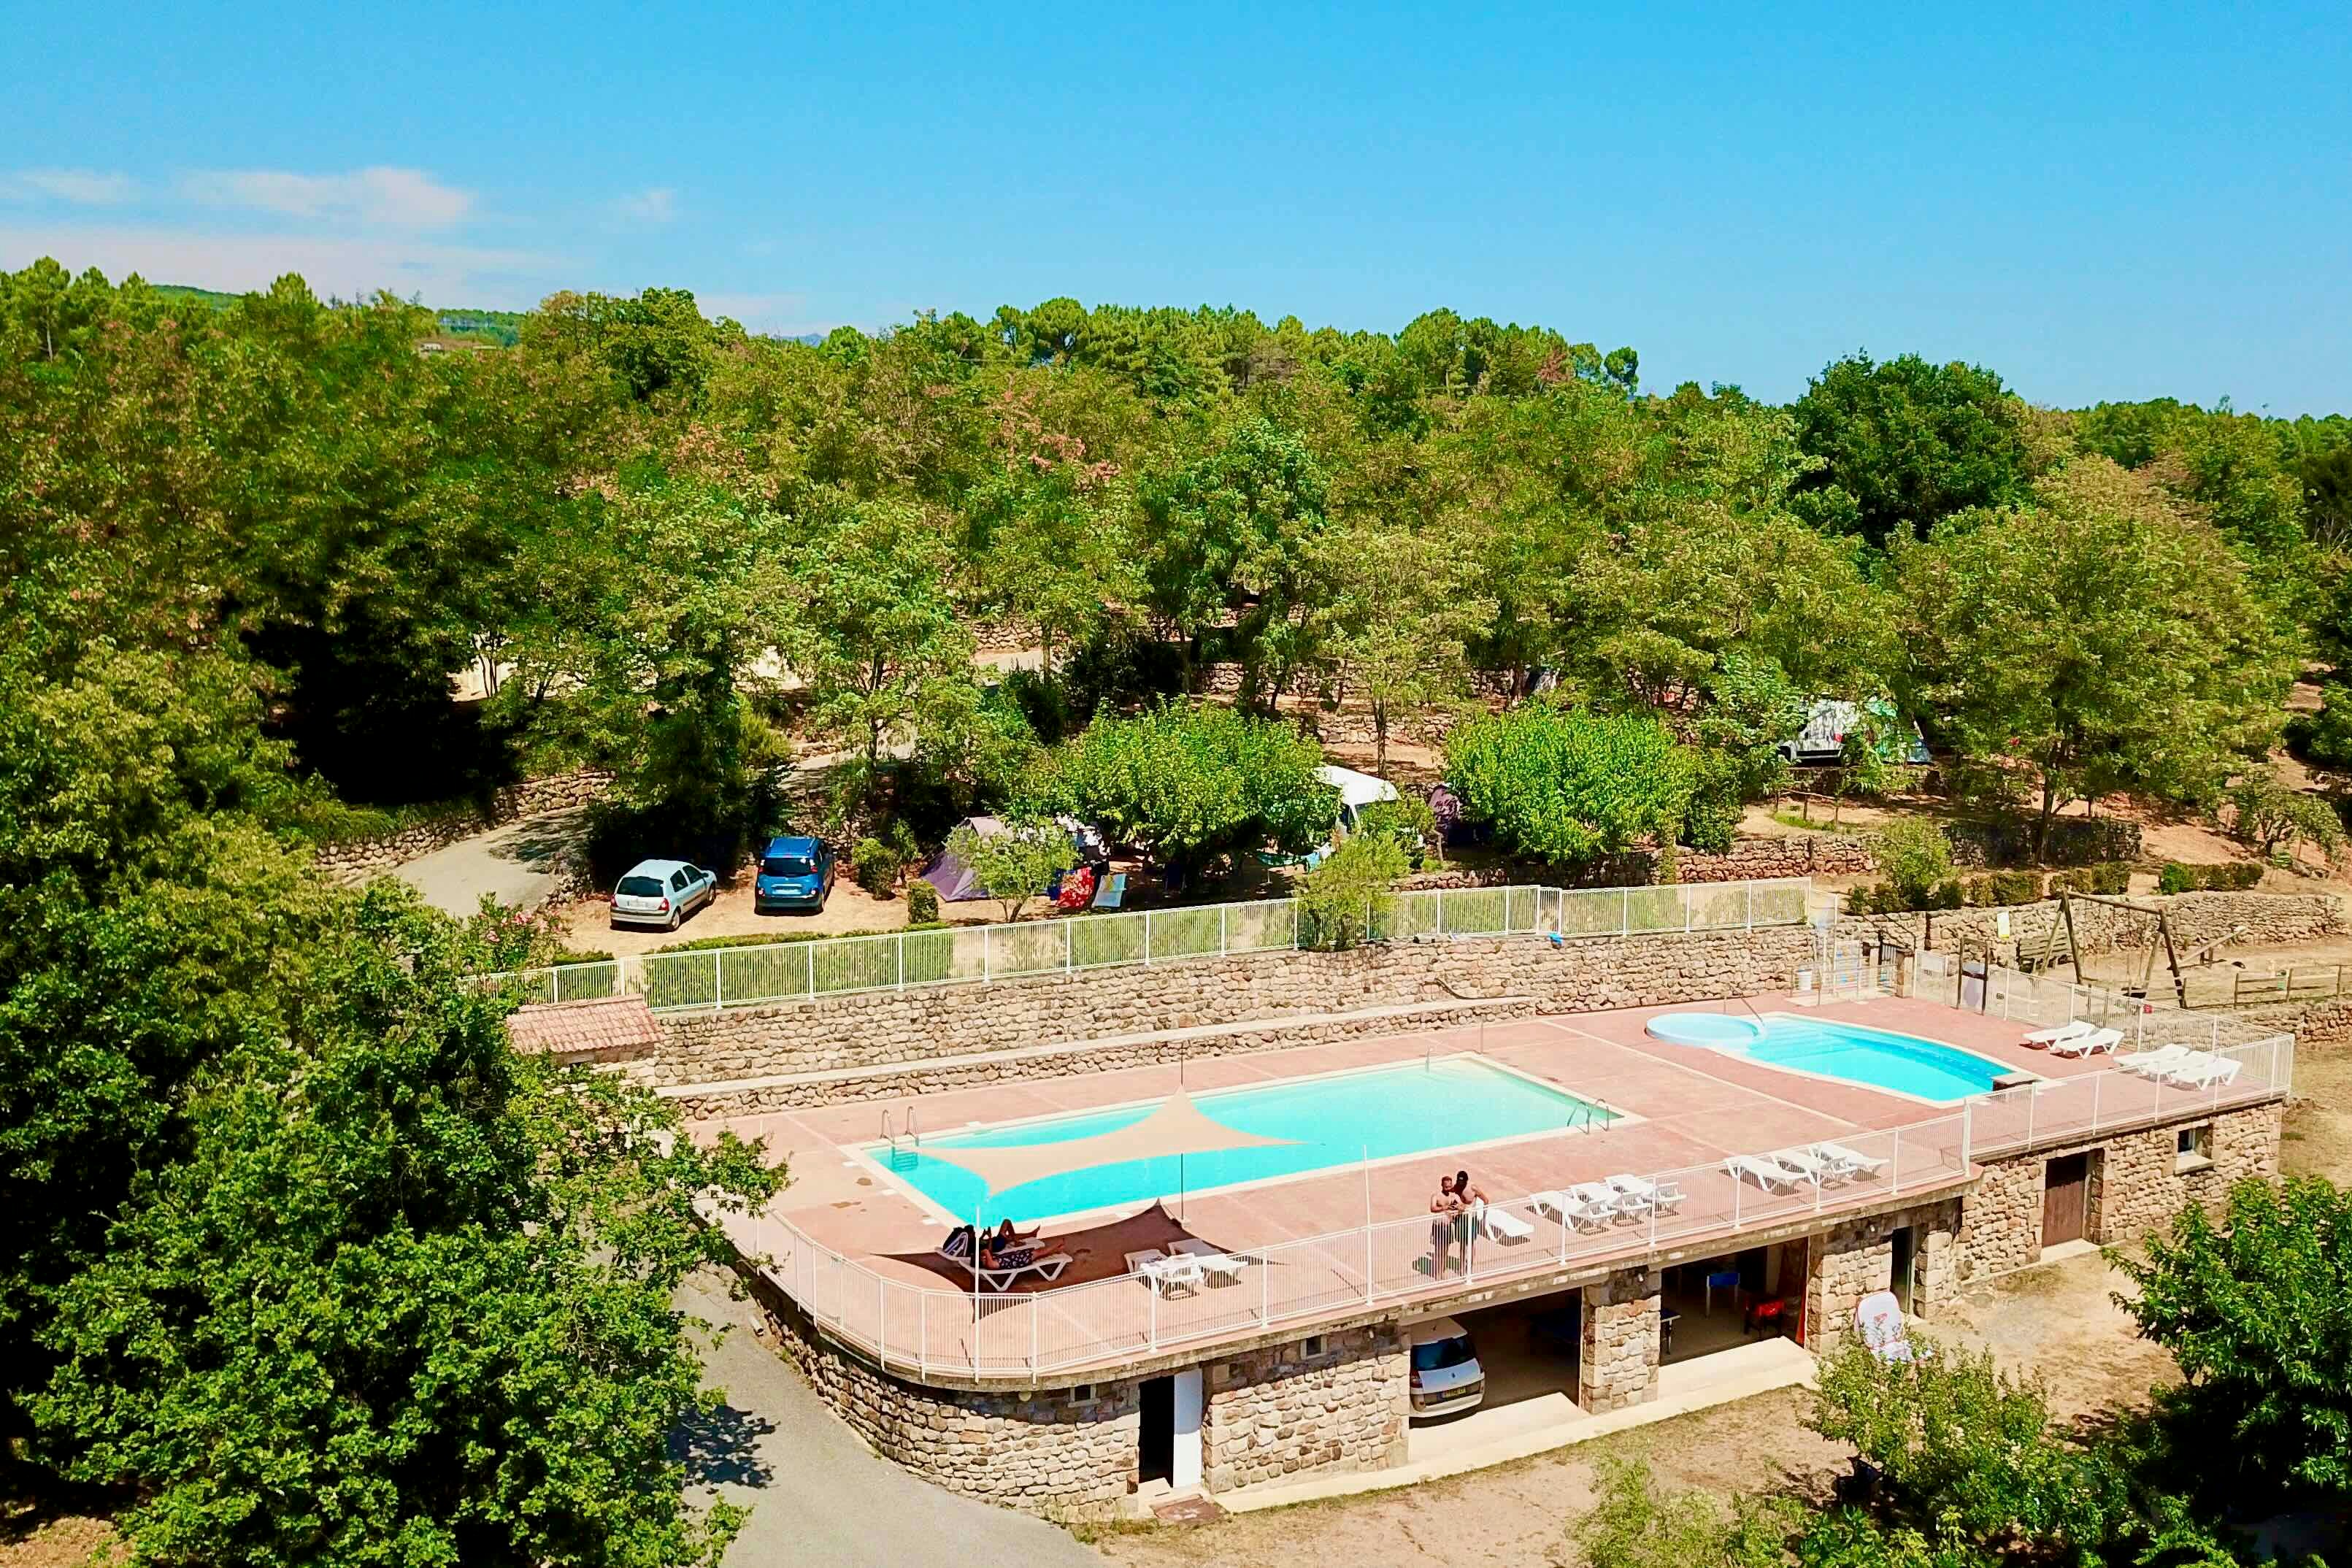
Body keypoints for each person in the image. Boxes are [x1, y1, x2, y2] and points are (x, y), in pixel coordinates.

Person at [1428, 1174, 1464, 1276]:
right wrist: (1446, 1207)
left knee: (1445, 1250)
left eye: (1450, 1187)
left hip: (1447, 1226)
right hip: (1438, 1226)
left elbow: (1463, 1206)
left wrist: (1459, 1208)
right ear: (1442, 1185)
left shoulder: (1454, 1196)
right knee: (1439, 1250)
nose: (1448, 1189)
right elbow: (1433, 1208)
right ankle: (1437, 1273)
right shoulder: (1436, 1196)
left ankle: (1442, 1271)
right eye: (1446, 1187)